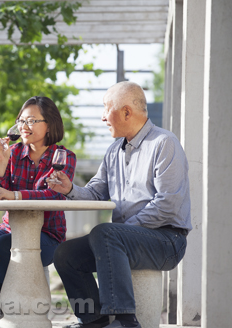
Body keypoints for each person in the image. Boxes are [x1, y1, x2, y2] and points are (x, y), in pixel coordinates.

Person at [48, 81, 192, 328]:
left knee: (106, 233)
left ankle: (125, 321)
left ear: (126, 112)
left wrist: (123, 231)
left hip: (168, 241)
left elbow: (167, 204)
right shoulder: (113, 151)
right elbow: (95, 193)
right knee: (65, 253)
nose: (103, 117)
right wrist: (70, 189)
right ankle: (94, 319)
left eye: (106, 108)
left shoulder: (164, 143)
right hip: (120, 241)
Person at [0, 96, 77, 328]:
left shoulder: (63, 157)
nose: (23, 126)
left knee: (2, 245)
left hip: (47, 235)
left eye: (31, 121)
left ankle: (14, 307)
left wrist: (15, 195)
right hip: (10, 227)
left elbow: (54, 194)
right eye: (21, 121)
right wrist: (2, 161)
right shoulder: (14, 153)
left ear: (49, 124)